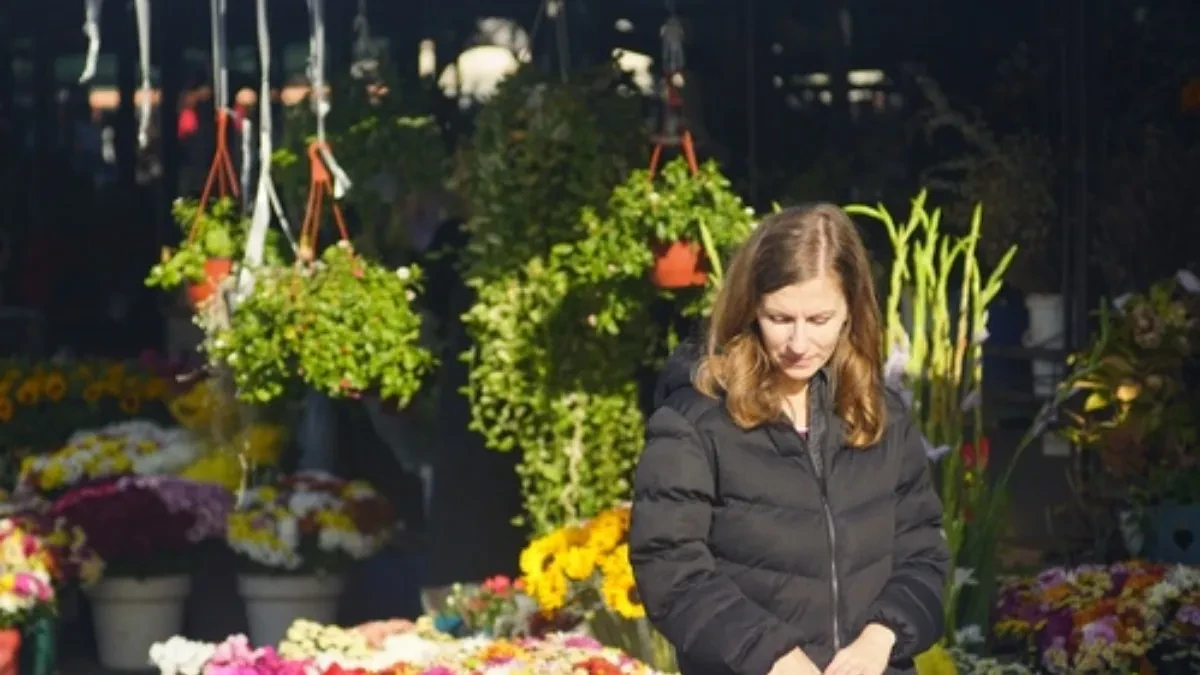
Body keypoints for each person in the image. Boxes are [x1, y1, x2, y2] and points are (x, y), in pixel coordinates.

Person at [630, 204, 949, 675]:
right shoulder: (694, 421)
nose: (799, 343)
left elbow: (923, 550)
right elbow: (670, 567)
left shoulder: (880, 415)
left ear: (850, 314)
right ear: (751, 308)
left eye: (819, 320)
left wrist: (882, 637)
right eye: (780, 318)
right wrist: (771, 656)